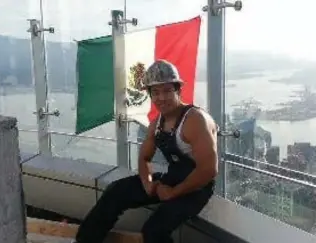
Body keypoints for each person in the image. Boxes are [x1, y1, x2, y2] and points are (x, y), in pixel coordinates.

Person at [75, 59, 219, 243]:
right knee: (116, 192)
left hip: (197, 188)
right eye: (156, 92)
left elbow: (208, 170)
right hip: (173, 178)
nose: (161, 98)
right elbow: (144, 158)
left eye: (167, 90)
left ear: (178, 90)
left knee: (153, 231)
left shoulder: (195, 120)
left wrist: (173, 193)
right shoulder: (157, 124)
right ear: (150, 94)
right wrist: (148, 183)